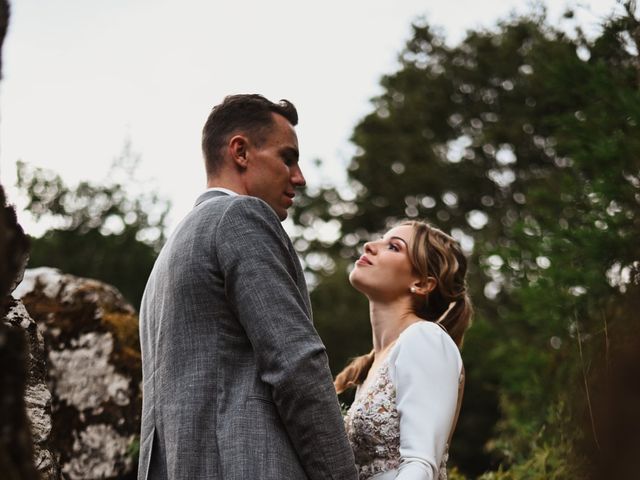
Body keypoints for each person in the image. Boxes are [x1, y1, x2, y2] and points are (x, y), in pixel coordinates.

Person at [138, 94, 358, 480]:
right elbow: (296, 364)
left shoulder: (166, 259)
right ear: (240, 151)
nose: (299, 177)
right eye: (287, 158)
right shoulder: (240, 216)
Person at [335, 221, 472, 480]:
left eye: (393, 247)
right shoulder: (376, 362)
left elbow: (421, 466)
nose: (369, 246)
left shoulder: (425, 339)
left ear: (421, 283)